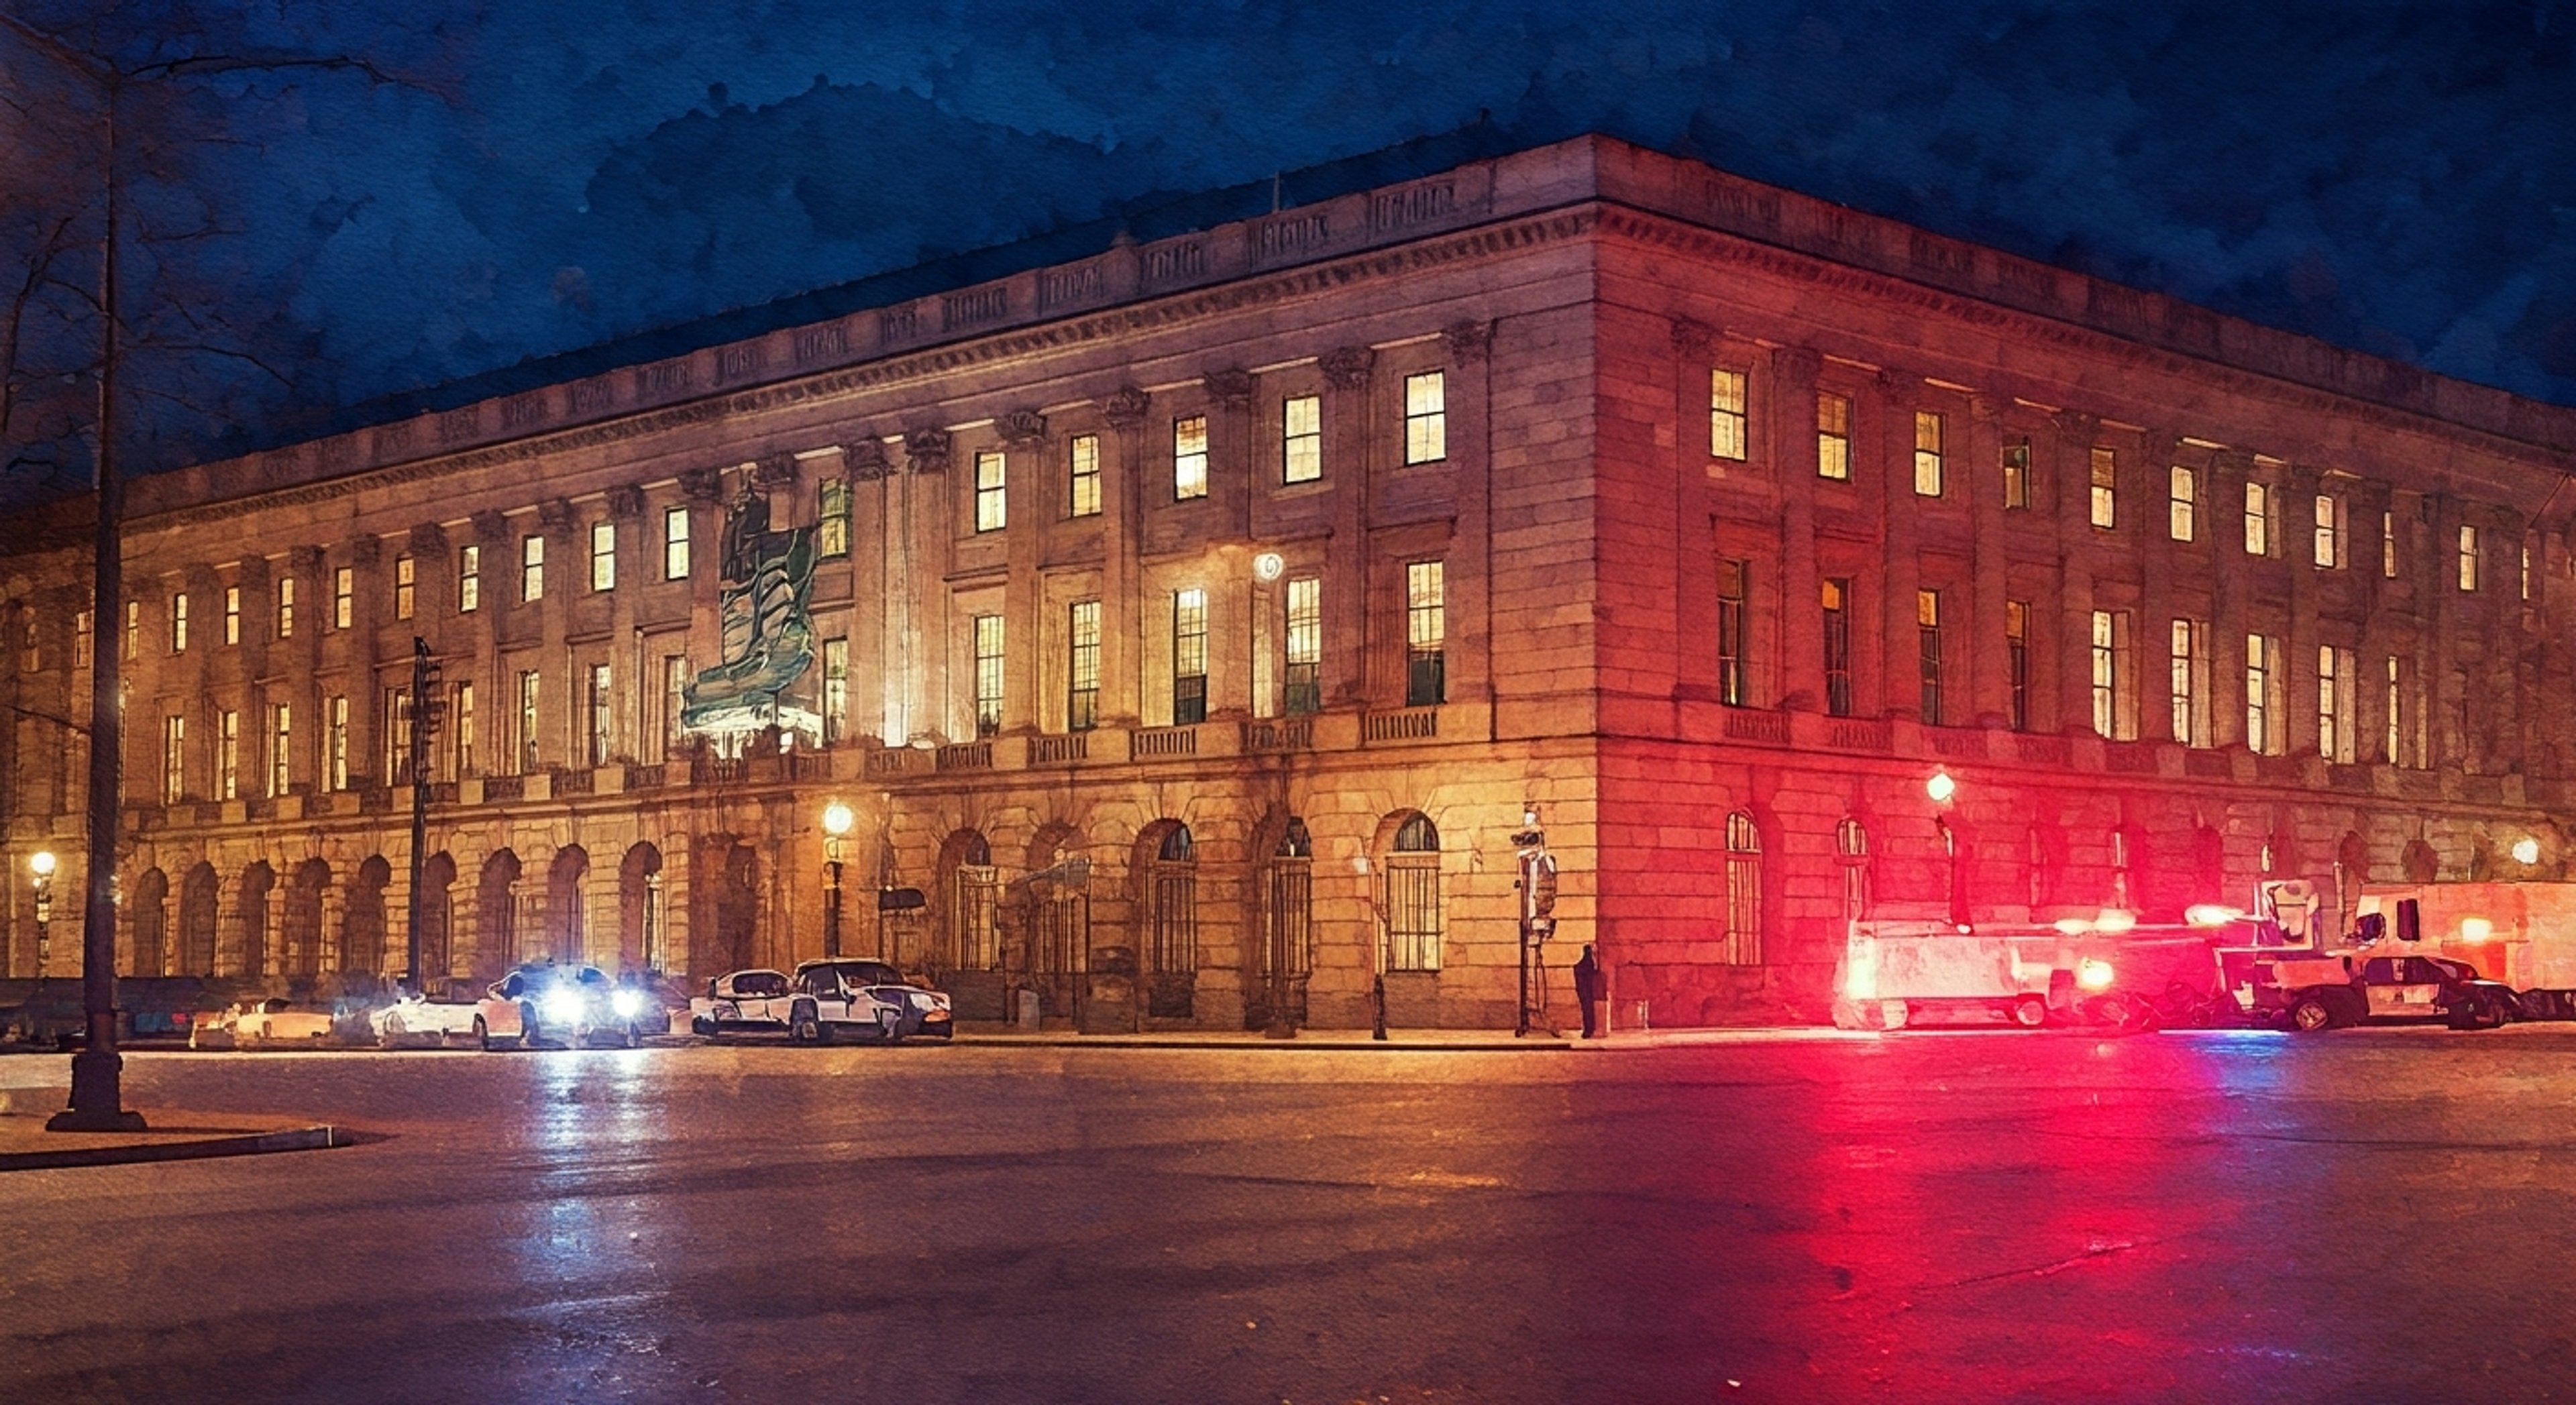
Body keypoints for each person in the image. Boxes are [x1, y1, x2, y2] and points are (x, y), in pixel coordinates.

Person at [1573, 944, 1603, 1039]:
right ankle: (1589, 1029)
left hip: (1584, 992)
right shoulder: (1589, 963)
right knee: (1588, 1011)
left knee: (1586, 1011)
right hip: (1588, 992)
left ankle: (1588, 1030)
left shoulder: (1584, 964)